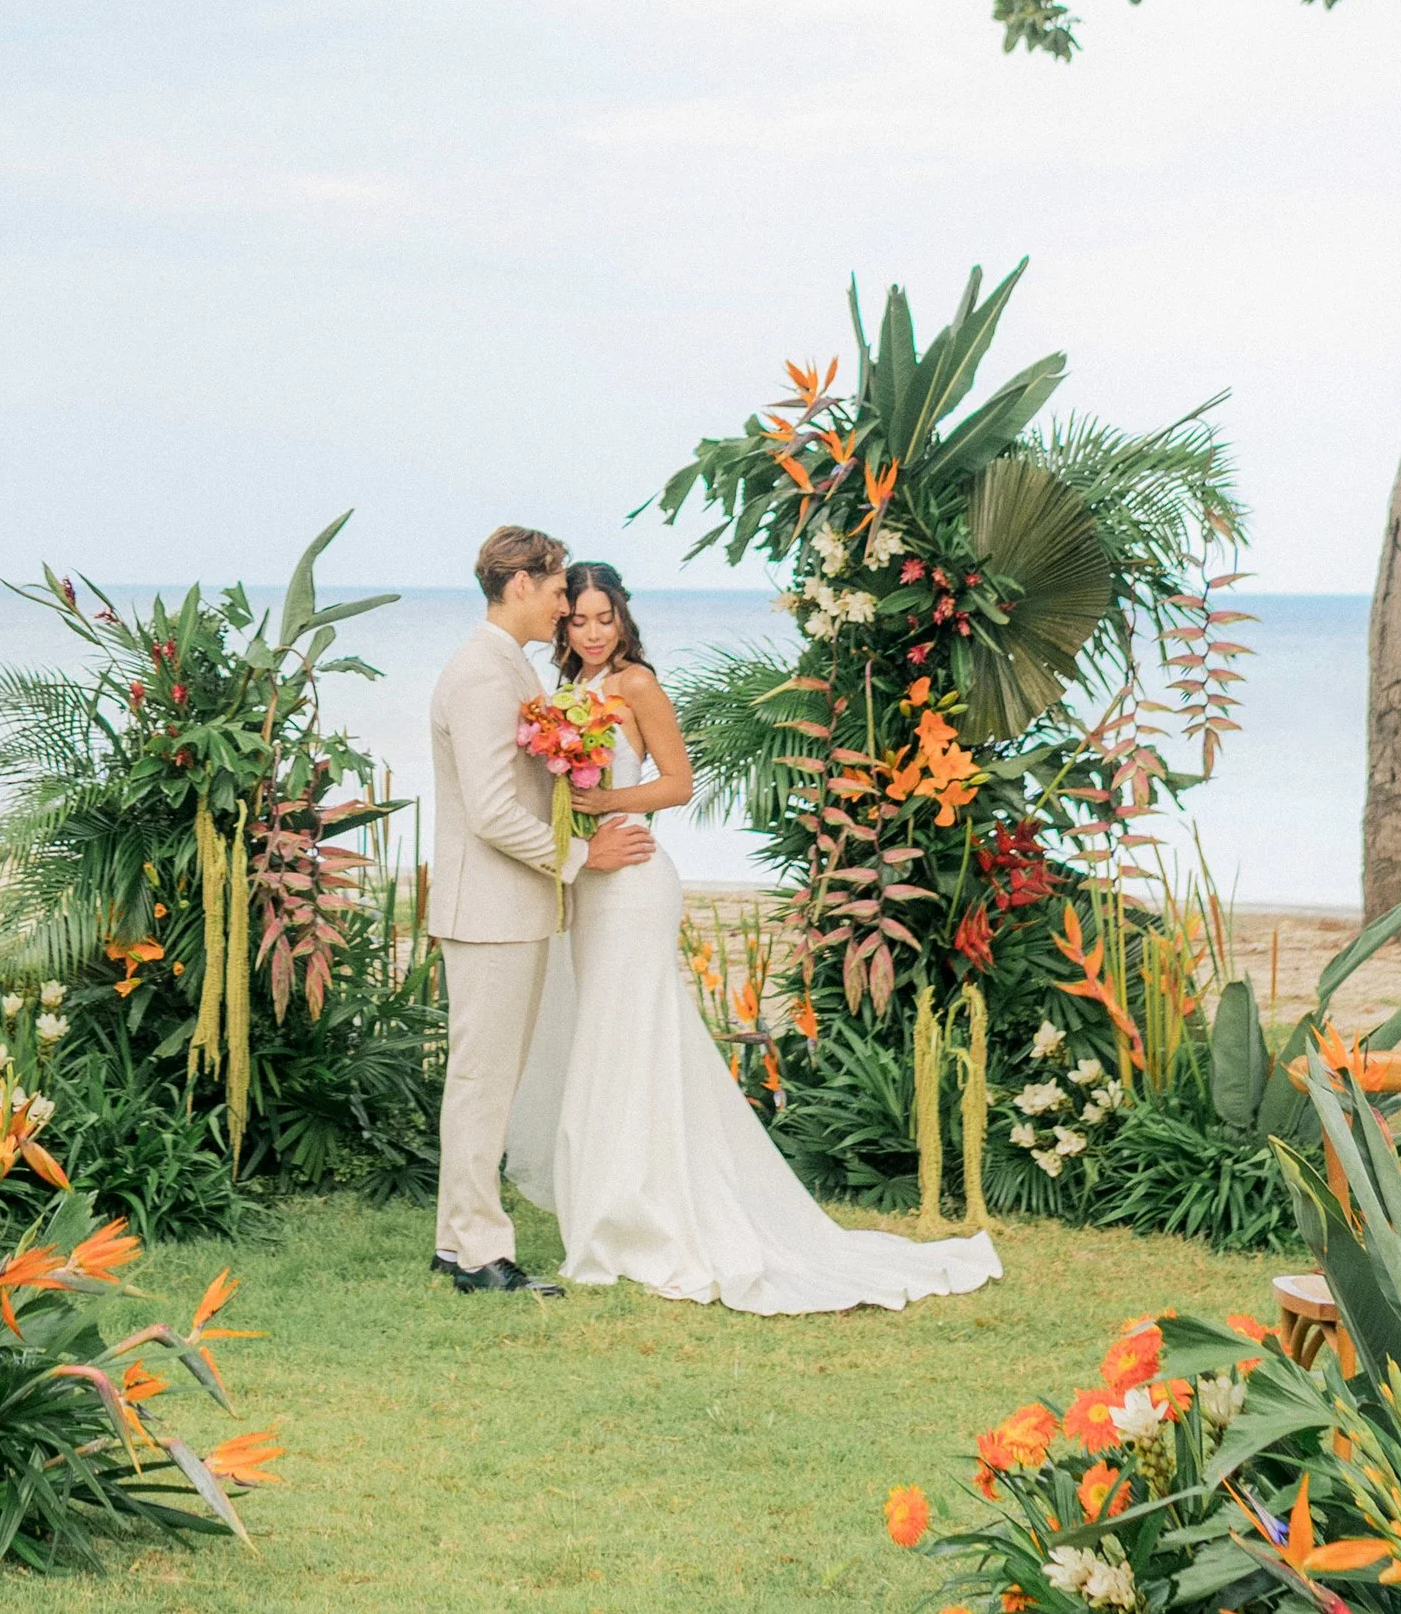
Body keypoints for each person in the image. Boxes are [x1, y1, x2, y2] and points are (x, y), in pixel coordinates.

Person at [504, 561, 1003, 1315]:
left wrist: (605, 800)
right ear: (562, 625)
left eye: (605, 616)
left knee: (631, 1034)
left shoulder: (635, 684)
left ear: (623, 618)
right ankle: (611, 1202)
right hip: (588, 880)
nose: (594, 630)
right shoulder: (567, 697)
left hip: (633, 877)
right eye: (579, 618)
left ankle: (641, 1212)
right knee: (601, 1036)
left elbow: (677, 781)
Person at [428, 526, 655, 1294]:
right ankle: (480, 1254)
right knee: (483, 1082)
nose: (565, 605)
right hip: (490, 910)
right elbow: (492, 811)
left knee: (483, 1078)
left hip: (506, 908)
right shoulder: (484, 675)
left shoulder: (504, 667)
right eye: (559, 590)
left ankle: (454, 1236)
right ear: (520, 584)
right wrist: (580, 857)